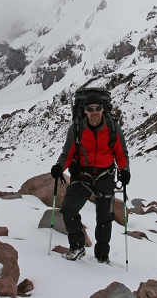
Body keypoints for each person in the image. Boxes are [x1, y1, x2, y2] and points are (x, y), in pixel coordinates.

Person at [50, 92, 131, 263]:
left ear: (103, 109)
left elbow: (121, 154)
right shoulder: (77, 129)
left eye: (98, 108)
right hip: (82, 175)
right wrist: (59, 167)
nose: (94, 112)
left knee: (105, 217)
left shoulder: (113, 128)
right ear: (85, 110)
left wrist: (124, 170)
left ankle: (102, 255)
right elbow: (67, 154)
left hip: (105, 175)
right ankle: (77, 246)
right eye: (90, 108)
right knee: (69, 208)